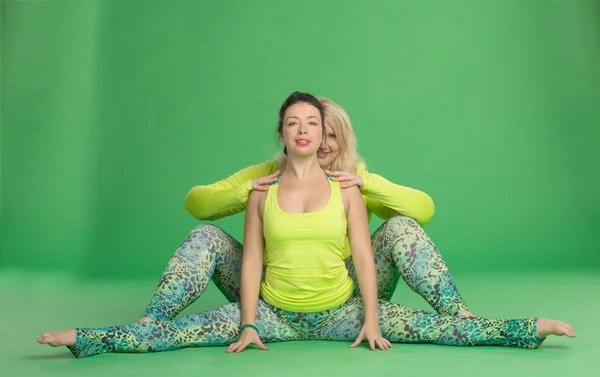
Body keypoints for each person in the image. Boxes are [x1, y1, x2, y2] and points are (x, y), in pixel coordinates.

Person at [37, 92, 576, 357]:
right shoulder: (262, 184)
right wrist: (248, 320)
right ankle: (122, 331)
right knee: (181, 322)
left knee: (423, 287)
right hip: (271, 304)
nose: (316, 139)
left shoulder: (351, 183)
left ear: (329, 138)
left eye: (322, 130)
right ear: (284, 132)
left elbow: (395, 232)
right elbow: (212, 219)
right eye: (297, 125)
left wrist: (371, 315)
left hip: (344, 301)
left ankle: (505, 326)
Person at [136, 96, 471, 328]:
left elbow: (423, 210)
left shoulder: (355, 180)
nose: (322, 142)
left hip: (347, 289)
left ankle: (458, 315)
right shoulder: (267, 173)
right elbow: (196, 203)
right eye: (312, 130)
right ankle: (153, 320)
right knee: (205, 236)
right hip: (275, 286)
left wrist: (366, 185)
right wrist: (246, 191)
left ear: (345, 139)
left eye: (331, 135)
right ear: (291, 134)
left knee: (401, 226)